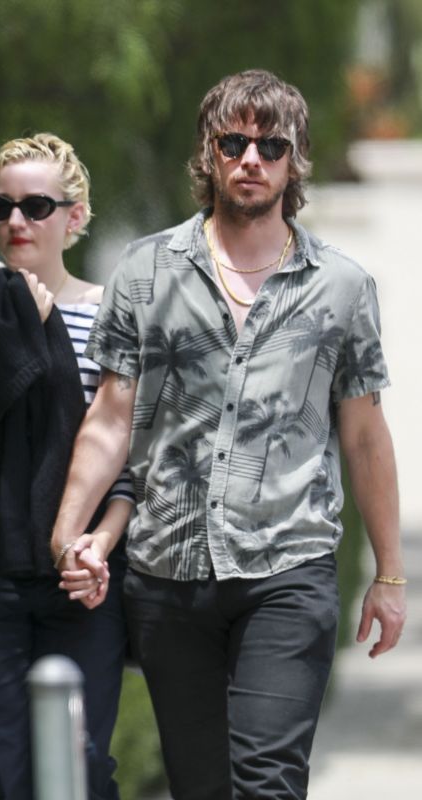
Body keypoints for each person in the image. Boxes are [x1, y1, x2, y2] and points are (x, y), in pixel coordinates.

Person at [50, 70, 407, 800]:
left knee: (267, 783)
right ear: (208, 154)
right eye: (233, 141)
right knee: (201, 787)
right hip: (168, 575)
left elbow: (365, 436)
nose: (251, 158)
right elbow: (110, 419)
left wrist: (389, 575)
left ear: (294, 159)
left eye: (270, 144)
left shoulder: (340, 287)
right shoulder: (144, 270)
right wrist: (68, 534)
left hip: (289, 567)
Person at [0, 133, 134, 800]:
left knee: (82, 763)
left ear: (74, 218)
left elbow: (128, 465)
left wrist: (98, 544)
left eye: (36, 206)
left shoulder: (116, 318)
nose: (16, 222)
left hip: (83, 555)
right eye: (0, 206)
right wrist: (8, 350)